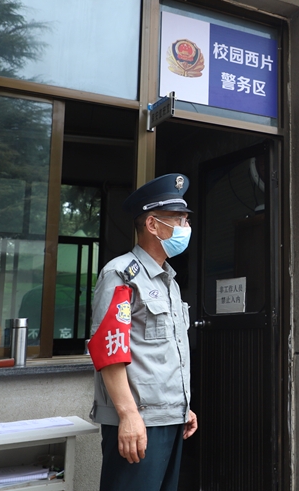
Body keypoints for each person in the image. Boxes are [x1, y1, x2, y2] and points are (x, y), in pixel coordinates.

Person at [88, 173, 198, 491]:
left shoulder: (169, 281)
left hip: (169, 418)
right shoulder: (122, 274)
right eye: (178, 219)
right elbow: (110, 349)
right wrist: (128, 414)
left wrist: (182, 406)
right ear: (152, 224)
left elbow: (164, 354)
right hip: (138, 421)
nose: (185, 227)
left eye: (186, 220)